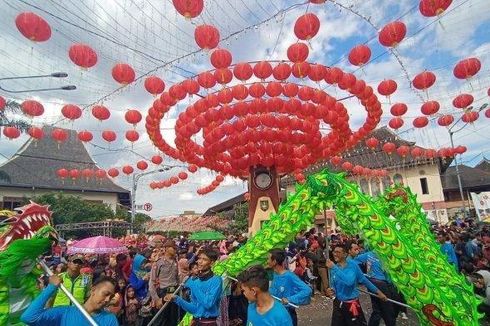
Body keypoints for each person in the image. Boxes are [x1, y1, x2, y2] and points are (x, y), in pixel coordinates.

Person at [326, 243, 388, 326]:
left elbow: (352, 281)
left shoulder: (352, 265)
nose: (334, 254)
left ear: (345, 254)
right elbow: (333, 285)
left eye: (338, 252)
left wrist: (379, 292)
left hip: (352, 305)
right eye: (334, 251)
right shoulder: (334, 268)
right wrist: (331, 290)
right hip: (338, 305)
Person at [21, 275, 118, 326]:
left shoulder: (110, 319)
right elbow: (28, 317)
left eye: (111, 296)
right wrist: (51, 288)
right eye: (105, 294)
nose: (107, 300)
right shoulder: (65, 313)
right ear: (93, 290)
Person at [164, 249, 222, 326]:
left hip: (208, 323)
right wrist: (177, 299)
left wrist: (193, 286)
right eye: (199, 258)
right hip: (196, 322)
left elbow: (208, 303)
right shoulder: (196, 281)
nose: (200, 262)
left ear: (212, 263)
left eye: (204, 259)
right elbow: (195, 309)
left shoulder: (216, 280)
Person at [267, 249, 312, 326]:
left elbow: (307, 290)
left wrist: (290, 299)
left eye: (268, 259)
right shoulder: (274, 274)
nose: (267, 261)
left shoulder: (289, 276)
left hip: (288, 316)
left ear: (274, 262)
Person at [353, 249, 397, 326]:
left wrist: (361, 273)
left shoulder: (370, 254)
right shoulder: (385, 256)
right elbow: (388, 275)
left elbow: (355, 261)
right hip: (381, 283)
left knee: (377, 310)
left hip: (371, 282)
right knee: (388, 310)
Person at [149, 240, 180, 326]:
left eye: (175, 248)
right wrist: (156, 299)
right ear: (166, 248)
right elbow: (152, 282)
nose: (175, 250)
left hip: (174, 292)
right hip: (163, 293)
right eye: (173, 248)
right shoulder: (159, 262)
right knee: (160, 321)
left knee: (173, 319)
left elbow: (177, 278)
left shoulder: (175, 262)